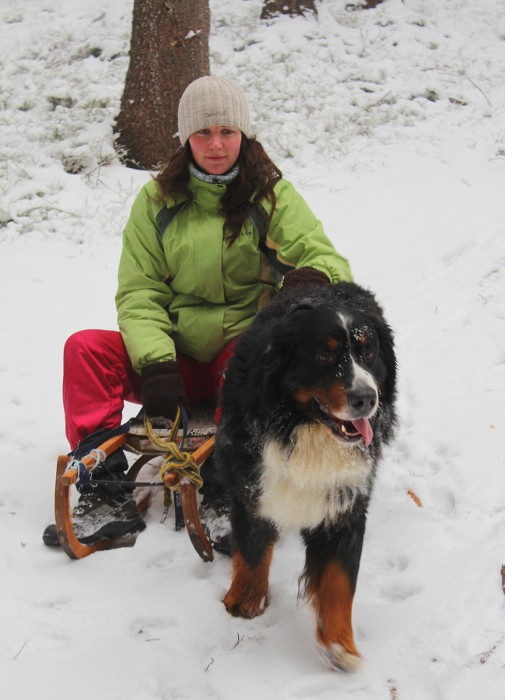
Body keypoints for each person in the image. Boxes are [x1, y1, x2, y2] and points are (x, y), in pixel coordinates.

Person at [43, 75, 353, 552]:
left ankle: (227, 487)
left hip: (241, 352)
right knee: (84, 348)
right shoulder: (156, 202)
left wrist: (308, 281)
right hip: (173, 358)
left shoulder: (269, 196)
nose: (215, 144)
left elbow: (327, 260)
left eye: (227, 131)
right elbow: (139, 291)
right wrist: (156, 363)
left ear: (244, 136)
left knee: (256, 354)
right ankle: (103, 489)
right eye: (203, 132)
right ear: (186, 137)